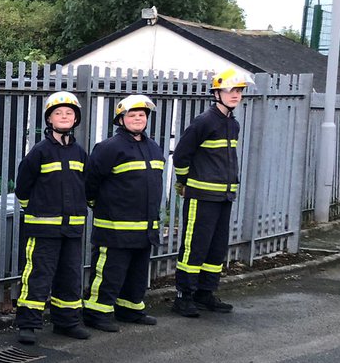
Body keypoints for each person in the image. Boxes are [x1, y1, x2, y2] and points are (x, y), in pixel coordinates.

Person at [83, 94, 165, 331]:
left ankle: (130, 308)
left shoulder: (153, 148)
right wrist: (95, 204)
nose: (138, 118)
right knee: (109, 272)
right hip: (115, 227)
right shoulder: (109, 148)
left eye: (142, 115)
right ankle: (97, 313)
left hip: (145, 227)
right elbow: (91, 182)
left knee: (137, 273)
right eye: (132, 115)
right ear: (120, 119)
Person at [14, 91, 89, 344]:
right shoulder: (40, 151)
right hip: (43, 229)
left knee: (70, 276)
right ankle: (28, 324)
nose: (64, 116)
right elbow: (23, 187)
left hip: (72, 229)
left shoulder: (80, 152)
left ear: (76, 118)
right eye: (59, 113)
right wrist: (35, 210)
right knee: (37, 276)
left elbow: (85, 186)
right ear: (50, 119)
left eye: (69, 113)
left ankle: (66, 322)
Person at [171, 68, 245, 317]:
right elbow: (181, 155)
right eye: (230, 90)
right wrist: (183, 182)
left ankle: (206, 293)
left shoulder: (232, 124)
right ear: (216, 93)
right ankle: (184, 296)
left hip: (224, 196)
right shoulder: (204, 122)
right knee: (194, 247)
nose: (235, 95)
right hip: (201, 196)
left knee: (216, 248)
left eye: (238, 91)